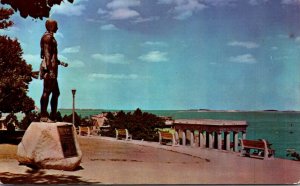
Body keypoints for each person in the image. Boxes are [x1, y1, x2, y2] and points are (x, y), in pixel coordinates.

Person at [40, 19, 67, 122]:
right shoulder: (47, 38)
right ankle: (43, 115)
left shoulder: (51, 37)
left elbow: (52, 55)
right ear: (51, 26)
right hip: (49, 69)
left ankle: (53, 116)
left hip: (53, 68)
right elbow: (47, 54)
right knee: (47, 91)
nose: (57, 28)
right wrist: (49, 70)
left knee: (56, 93)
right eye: (56, 26)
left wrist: (60, 62)